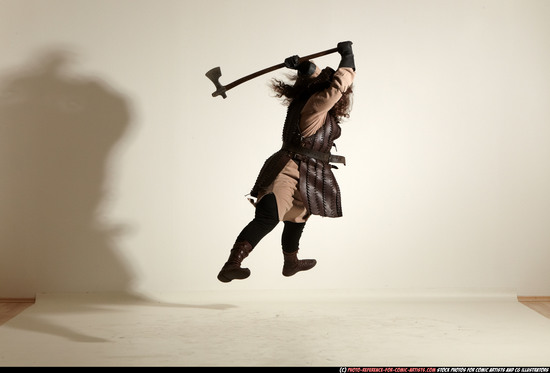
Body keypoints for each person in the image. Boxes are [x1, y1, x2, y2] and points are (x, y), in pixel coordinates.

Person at [217, 41, 356, 283]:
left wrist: (303, 66)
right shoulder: (316, 104)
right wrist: (348, 57)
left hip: (310, 170)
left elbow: (321, 78)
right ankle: (232, 264)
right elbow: (337, 86)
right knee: (268, 216)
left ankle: (290, 262)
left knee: (298, 215)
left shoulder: (308, 99)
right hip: (289, 167)